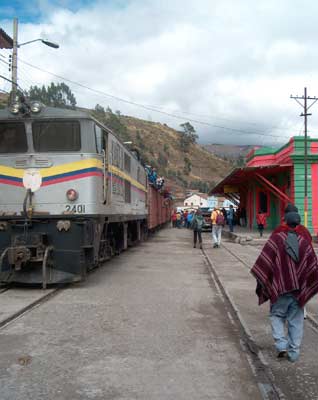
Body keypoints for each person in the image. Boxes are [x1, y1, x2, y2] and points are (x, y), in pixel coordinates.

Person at [251, 211, 318, 362]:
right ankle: (294, 352)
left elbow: (264, 261)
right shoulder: (304, 242)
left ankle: (281, 345)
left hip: (279, 287)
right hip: (298, 290)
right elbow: (313, 267)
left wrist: (263, 282)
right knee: (296, 320)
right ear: (298, 223)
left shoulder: (276, 239)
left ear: (285, 222)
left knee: (276, 315)